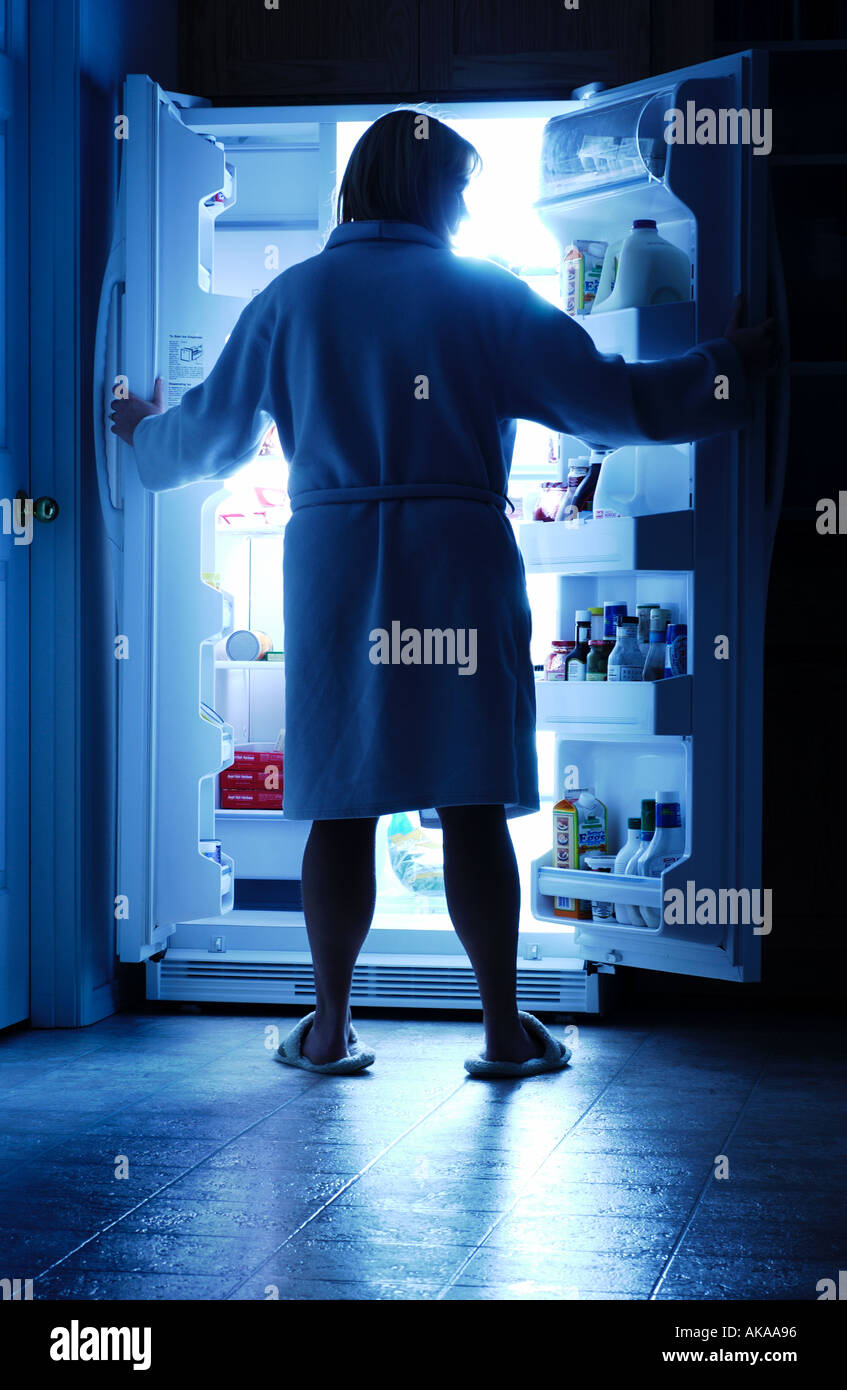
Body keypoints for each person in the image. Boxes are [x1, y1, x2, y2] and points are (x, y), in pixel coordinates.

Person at [110, 110, 776, 1078]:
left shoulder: (291, 298)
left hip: (335, 553)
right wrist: (726, 369)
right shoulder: (482, 295)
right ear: (433, 193)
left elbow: (203, 441)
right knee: (469, 800)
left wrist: (137, 428)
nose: (464, 205)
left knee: (340, 804)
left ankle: (329, 1027)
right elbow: (614, 402)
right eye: (459, 189)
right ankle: (504, 1031)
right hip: (456, 552)